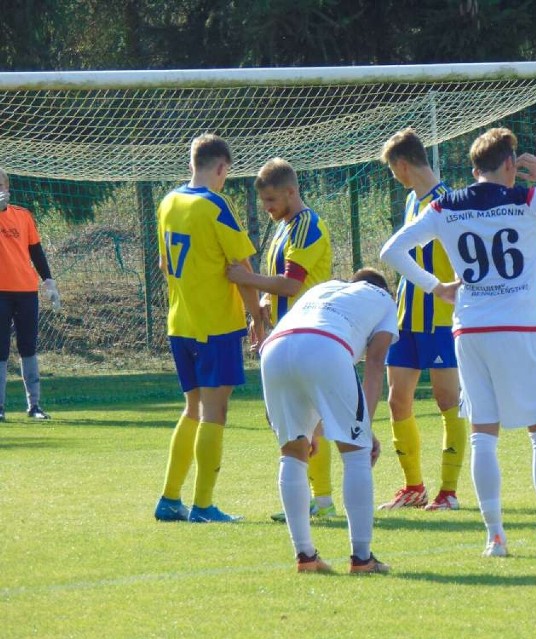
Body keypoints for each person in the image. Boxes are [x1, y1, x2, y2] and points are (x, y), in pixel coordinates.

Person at [381, 127, 536, 557]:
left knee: (483, 435)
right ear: (510, 165)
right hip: (520, 330)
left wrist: (435, 287)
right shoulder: (528, 199)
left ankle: (496, 539)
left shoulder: (444, 206)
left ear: (474, 170)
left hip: (469, 330)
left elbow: (391, 252)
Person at [153, 133, 265, 524]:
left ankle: (169, 499)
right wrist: (258, 319)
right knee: (215, 412)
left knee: (193, 409)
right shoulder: (216, 205)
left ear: (191, 164)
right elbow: (243, 270)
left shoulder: (168, 202)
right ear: (221, 168)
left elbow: (166, 265)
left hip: (179, 322)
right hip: (215, 325)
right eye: (225, 174)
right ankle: (202, 505)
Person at [260, 268, 398, 573]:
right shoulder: (385, 300)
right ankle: (362, 559)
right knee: (356, 454)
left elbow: (301, 346)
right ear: (383, 289)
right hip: (324, 346)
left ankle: (305, 557)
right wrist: (364, 431)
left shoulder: (323, 289)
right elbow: (374, 365)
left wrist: (309, 429)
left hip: (273, 349)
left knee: (292, 453)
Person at [226, 158, 336, 522]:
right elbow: (281, 287)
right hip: (287, 334)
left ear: (292, 191)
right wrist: (261, 306)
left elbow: (291, 284)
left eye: (272, 200)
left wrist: (244, 276)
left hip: (308, 334)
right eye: (264, 202)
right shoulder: (285, 227)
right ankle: (317, 500)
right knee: (292, 420)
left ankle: (320, 501)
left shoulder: (306, 225)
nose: (268, 208)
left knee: (306, 421)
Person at [377, 128, 467, 512]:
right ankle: (413, 487)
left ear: (402, 165)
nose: (395, 177)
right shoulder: (413, 204)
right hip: (406, 319)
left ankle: (449, 491)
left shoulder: (449, 203)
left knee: (449, 400)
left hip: (441, 320)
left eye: (393, 170)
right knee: (398, 400)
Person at [0, 168, 60, 422]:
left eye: (0, 183)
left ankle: (34, 405)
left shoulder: (23, 216)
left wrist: (49, 282)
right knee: (0, 349)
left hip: (25, 291)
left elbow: (36, 251)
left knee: (28, 347)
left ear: (8, 186)